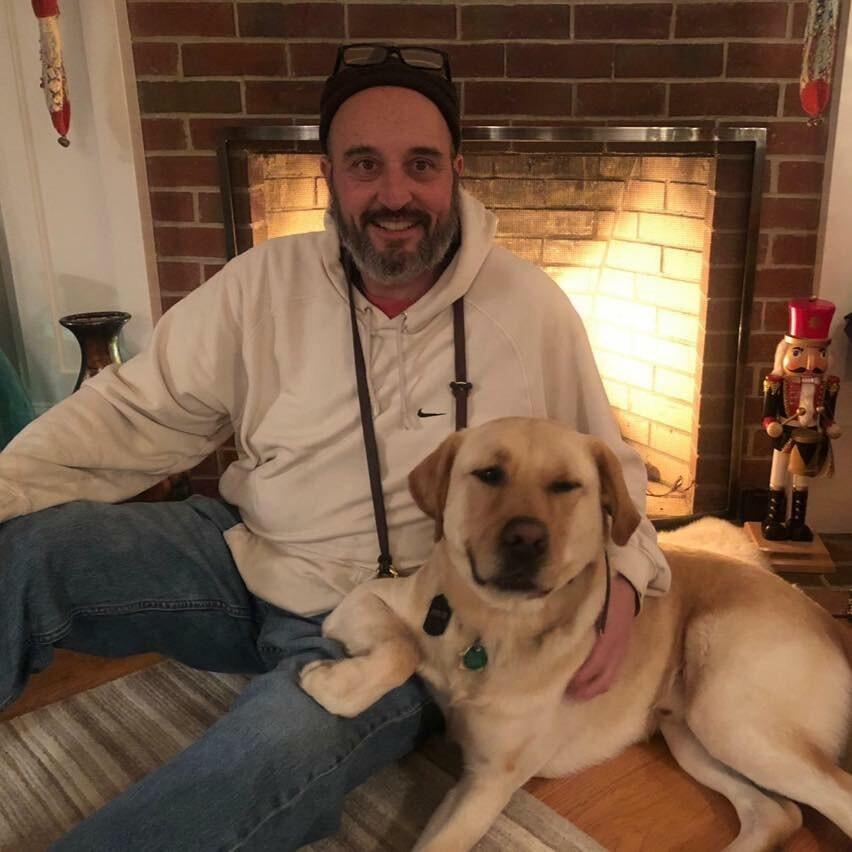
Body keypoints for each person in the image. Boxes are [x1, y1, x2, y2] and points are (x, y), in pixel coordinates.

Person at [0, 43, 670, 850]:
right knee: (35, 552)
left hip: (402, 628)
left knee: (271, 751)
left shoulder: (531, 309)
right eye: (365, 165)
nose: (395, 193)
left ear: (456, 169)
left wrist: (627, 589)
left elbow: (611, 471)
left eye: (421, 164)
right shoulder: (261, 284)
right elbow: (134, 412)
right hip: (243, 557)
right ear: (329, 176)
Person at [761, 296, 841, 541]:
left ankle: (797, 522)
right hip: (785, 434)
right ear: (784, 353)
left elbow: (827, 413)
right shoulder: (776, 384)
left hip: (810, 436)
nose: (810, 362)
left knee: (802, 478)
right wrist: (771, 425)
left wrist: (830, 425)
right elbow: (768, 413)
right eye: (799, 352)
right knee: (778, 475)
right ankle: (773, 520)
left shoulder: (827, 385)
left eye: (819, 353)